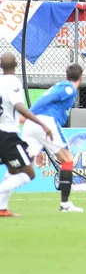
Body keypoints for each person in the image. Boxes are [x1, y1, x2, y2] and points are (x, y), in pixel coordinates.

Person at [21, 64, 85, 213]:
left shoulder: (62, 86)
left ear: (66, 74)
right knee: (68, 159)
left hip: (34, 125)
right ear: (81, 78)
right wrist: (28, 113)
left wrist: (41, 148)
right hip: (44, 122)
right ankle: (65, 204)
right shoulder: (68, 88)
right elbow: (44, 101)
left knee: (23, 162)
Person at [0, 53, 54, 217]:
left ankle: (2, 209)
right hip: (7, 135)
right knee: (28, 173)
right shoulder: (14, 82)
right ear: (16, 64)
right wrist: (41, 123)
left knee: (13, 170)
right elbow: (19, 105)